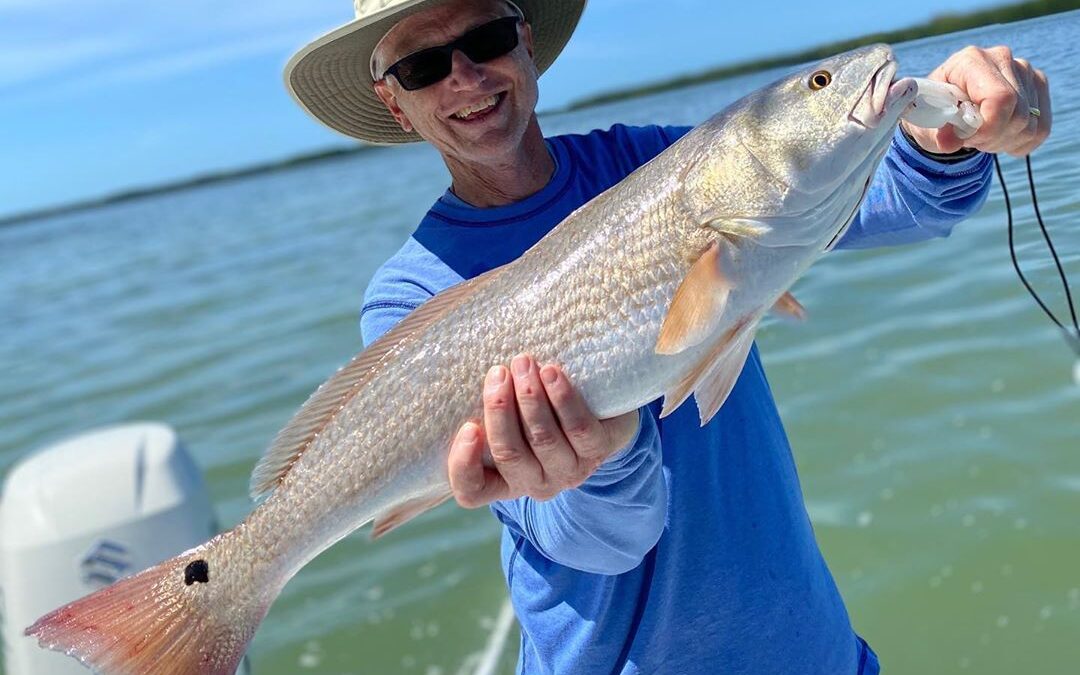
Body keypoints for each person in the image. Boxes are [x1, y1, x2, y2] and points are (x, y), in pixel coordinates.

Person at [284, 1, 1051, 672]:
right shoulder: (411, 296)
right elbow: (600, 543)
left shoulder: (648, 163)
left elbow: (905, 205)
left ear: (522, 41)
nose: (464, 76)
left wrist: (948, 141)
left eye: (483, 37)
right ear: (394, 103)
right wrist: (605, 459)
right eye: (422, 64)